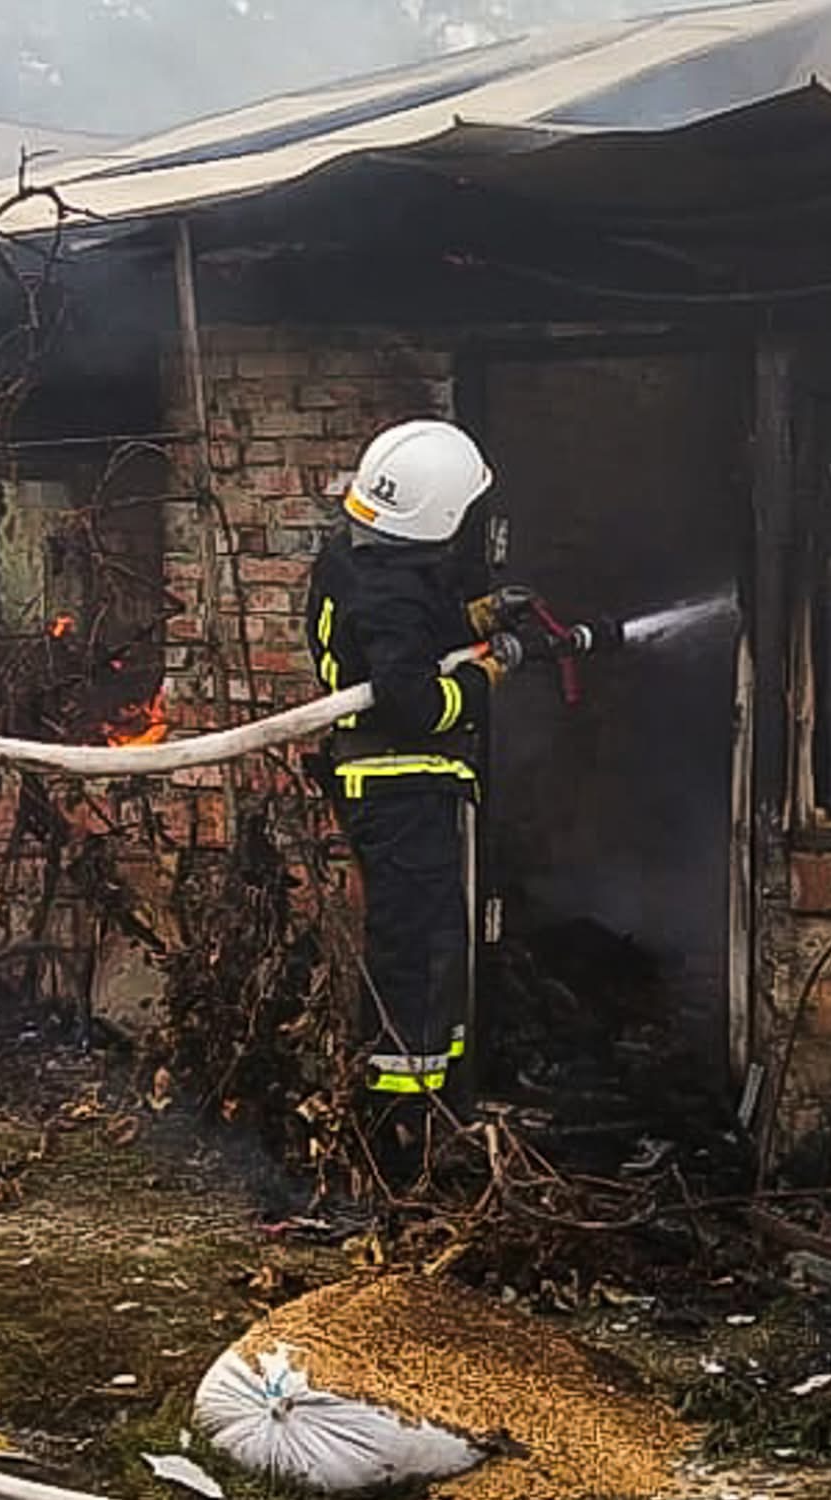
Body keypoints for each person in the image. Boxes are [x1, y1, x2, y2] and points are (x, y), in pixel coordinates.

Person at [302, 418, 532, 1179]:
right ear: (437, 517)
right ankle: (409, 1130)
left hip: (385, 787)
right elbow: (407, 698)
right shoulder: (393, 591)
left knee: (424, 947)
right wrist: (479, 679)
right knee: (421, 954)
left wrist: (476, 618)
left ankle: (422, 1115)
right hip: (400, 787)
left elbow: (392, 634)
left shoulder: (353, 559)